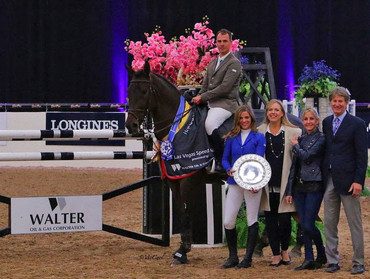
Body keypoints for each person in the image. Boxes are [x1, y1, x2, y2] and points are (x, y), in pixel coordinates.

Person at [322, 87, 367, 275]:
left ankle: (358, 262)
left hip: (349, 180)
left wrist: (359, 181)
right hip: (330, 179)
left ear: (347, 103)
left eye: (341, 101)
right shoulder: (326, 122)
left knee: (354, 224)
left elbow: (362, 155)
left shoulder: (357, 123)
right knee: (329, 223)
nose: (337, 104)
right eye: (334, 101)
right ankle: (332, 260)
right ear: (331, 102)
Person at [221, 105, 266, 269]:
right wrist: (228, 169)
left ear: (251, 119)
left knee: (251, 218)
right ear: (237, 120)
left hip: (252, 183)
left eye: (247, 118)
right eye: (241, 118)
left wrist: (256, 183)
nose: (244, 121)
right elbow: (225, 159)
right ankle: (233, 256)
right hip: (234, 183)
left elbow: (259, 159)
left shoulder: (258, 137)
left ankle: (248, 258)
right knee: (228, 221)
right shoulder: (231, 138)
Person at [258, 99, 301, 267]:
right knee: (270, 221)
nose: (273, 113)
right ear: (267, 113)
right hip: (267, 185)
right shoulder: (259, 131)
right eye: (270, 110)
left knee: (284, 221)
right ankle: (275, 254)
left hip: (286, 186)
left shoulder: (294, 131)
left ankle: (284, 251)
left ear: (282, 113)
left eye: (276, 110)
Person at [192, 28, 242, 172]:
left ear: (230, 43)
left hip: (225, 104)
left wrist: (203, 97)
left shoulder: (234, 63)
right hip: (210, 102)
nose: (221, 44)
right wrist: (198, 97)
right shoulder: (213, 63)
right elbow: (206, 85)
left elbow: (225, 88)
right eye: (219, 41)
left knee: (209, 124)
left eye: (224, 41)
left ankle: (221, 159)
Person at [284, 108, 327, 271]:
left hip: (314, 185)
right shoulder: (301, 138)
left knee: (309, 225)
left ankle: (321, 253)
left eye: (311, 119)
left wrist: (295, 146)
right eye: (306, 119)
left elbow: (308, 157)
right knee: (303, 224)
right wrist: (289, 191)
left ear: (317, 121)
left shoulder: (321, 139)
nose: (308, 122)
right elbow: (294, 167)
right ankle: (309, 257)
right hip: (298, 187)